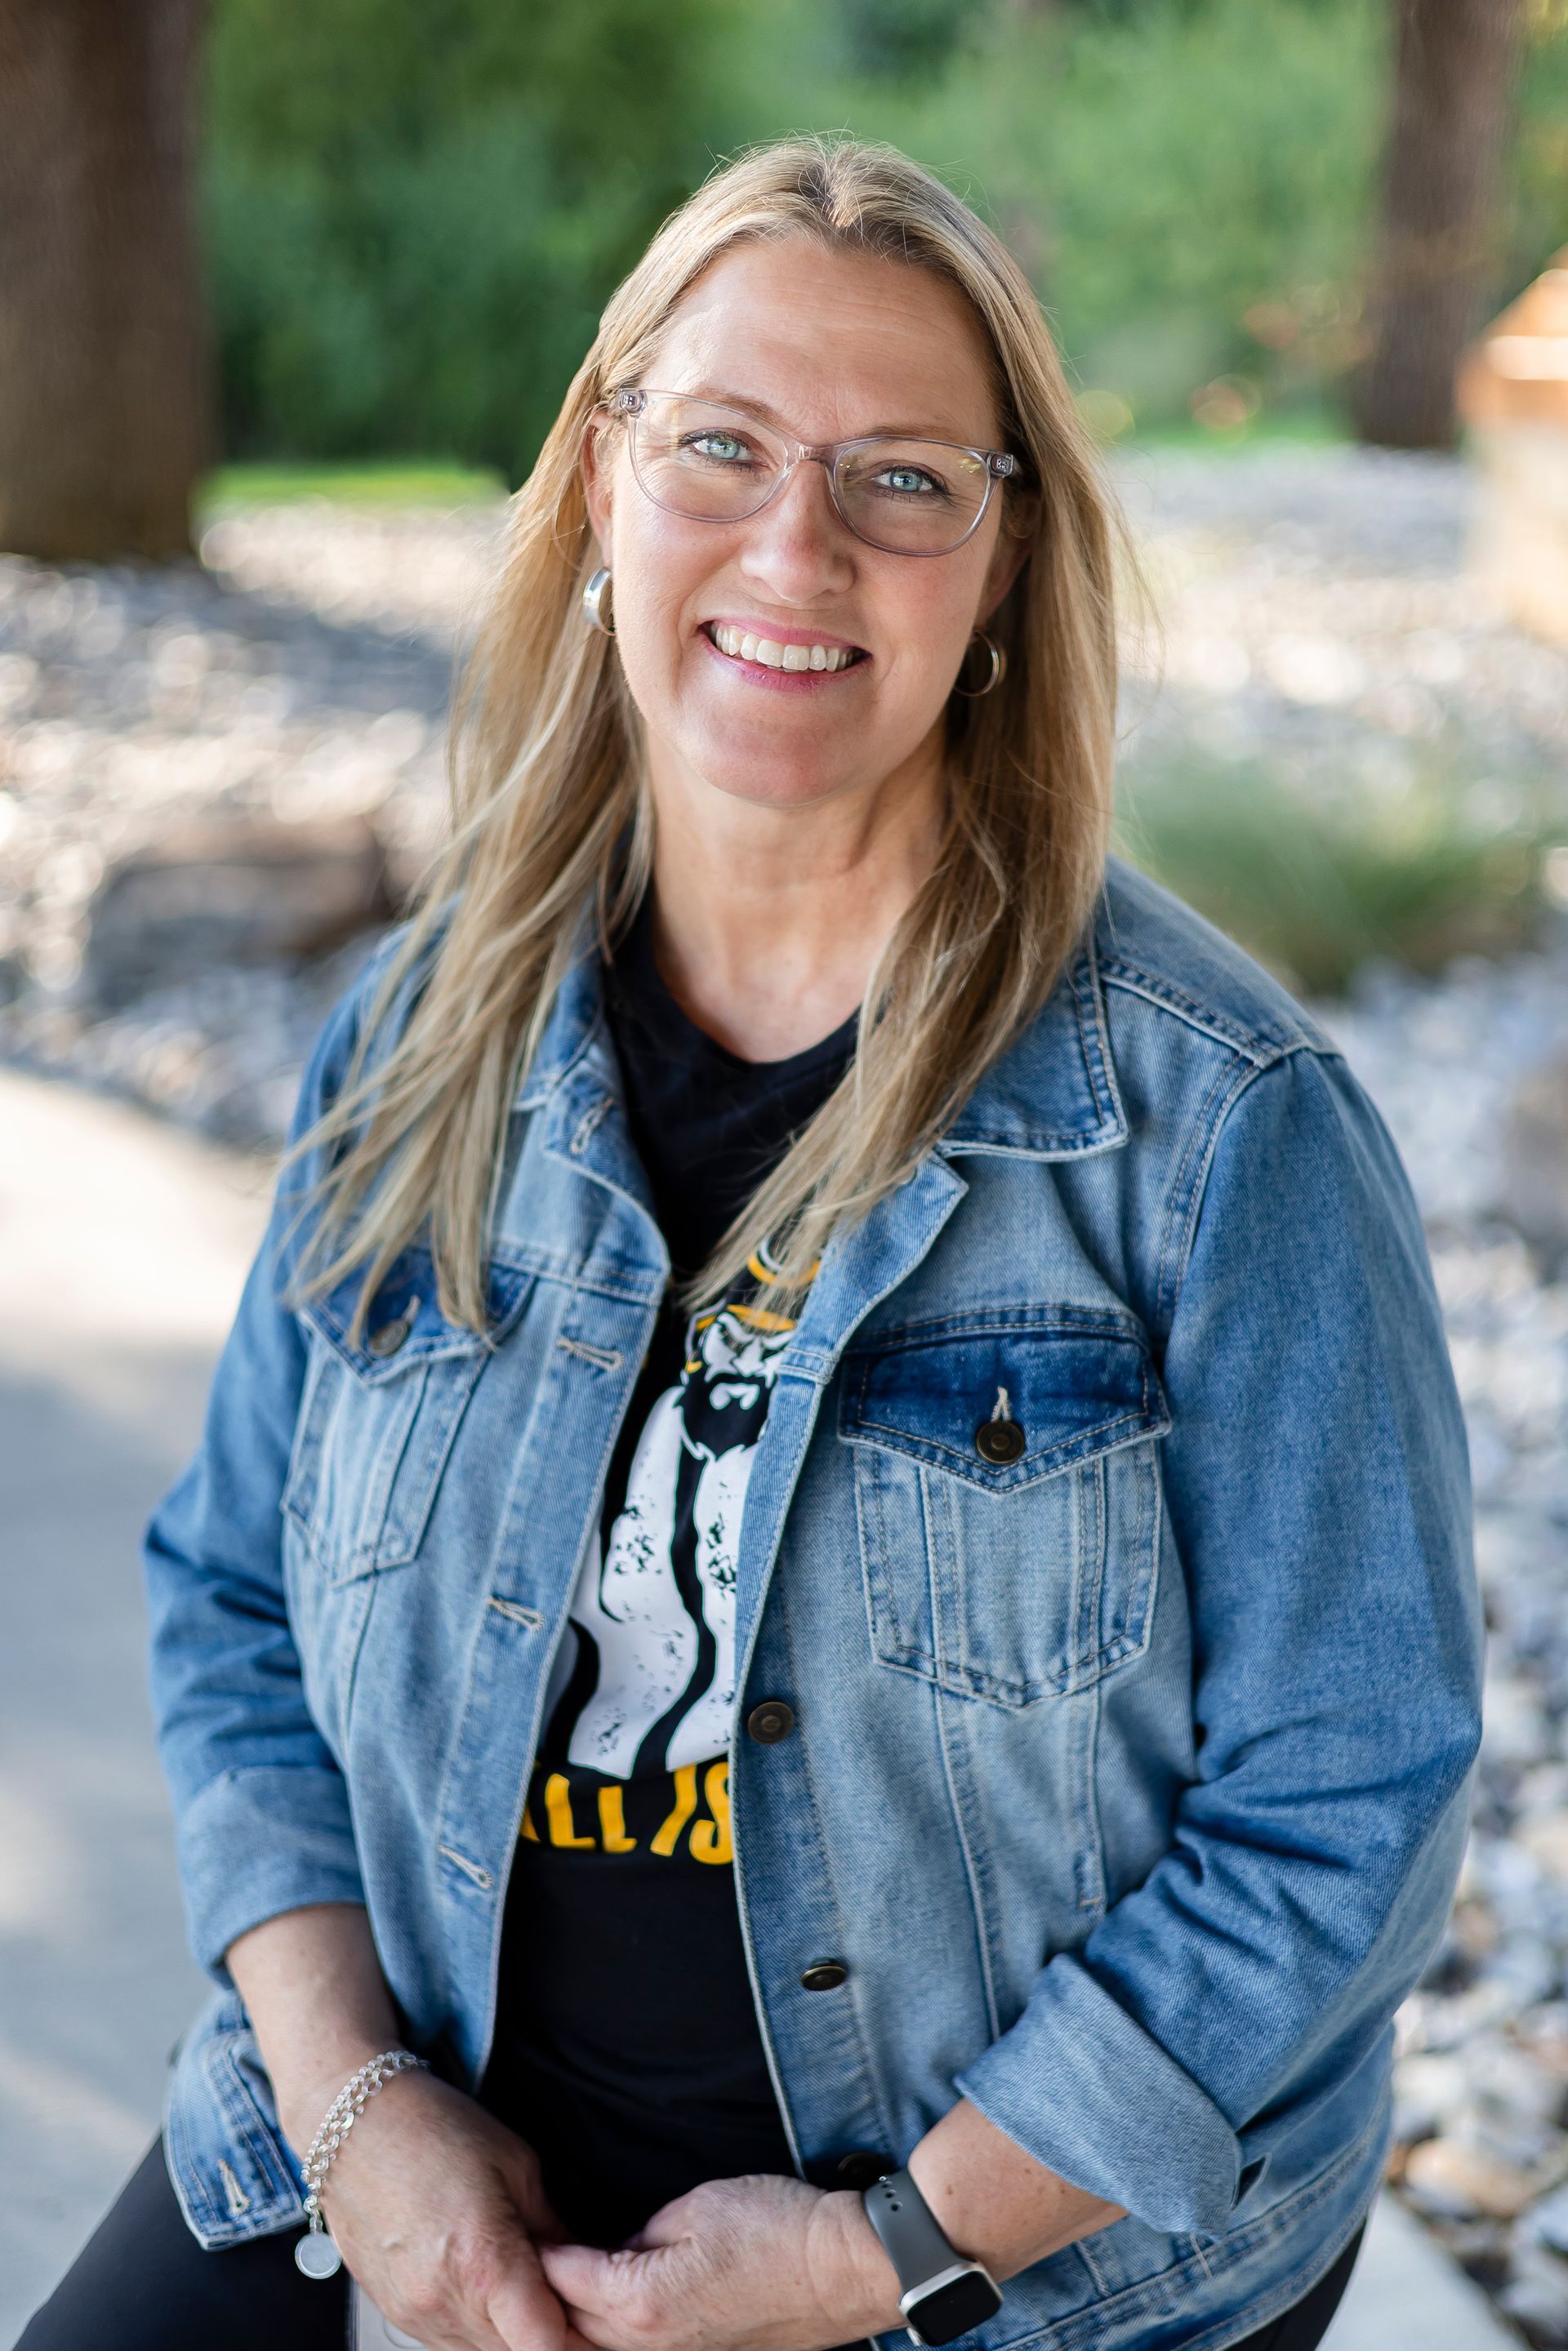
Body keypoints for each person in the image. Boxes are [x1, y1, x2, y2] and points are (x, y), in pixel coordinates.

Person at [19, 134, 1481, 2351]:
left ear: (1002, 563)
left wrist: (891, 2247)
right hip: (435, 2117)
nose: (796, 543)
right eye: (720, 444)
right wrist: (359, 2115)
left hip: (1012, 2246)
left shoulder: (1216, 1126)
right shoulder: (427, 1035)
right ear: (601, 480)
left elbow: (1346, 1797)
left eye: (902, 478)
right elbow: (234, 1600)